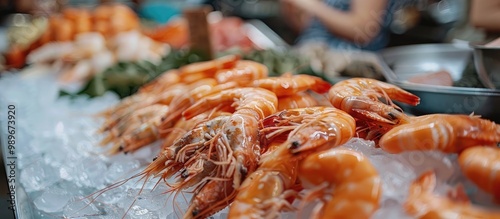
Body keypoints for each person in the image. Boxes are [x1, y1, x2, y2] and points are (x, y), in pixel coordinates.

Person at [281, 0, 400, 51]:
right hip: (309, 55)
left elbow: (363, 31)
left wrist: (311, 5)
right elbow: (306, 28)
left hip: (348, 66)